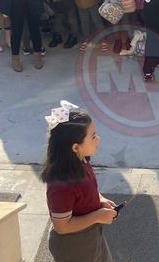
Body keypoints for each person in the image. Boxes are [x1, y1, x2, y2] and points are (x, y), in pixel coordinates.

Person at [41, 101, 118, 262]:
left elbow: (89, 190)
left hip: (92, 236)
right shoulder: (61, 185)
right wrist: (97, 216)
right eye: (93, 136)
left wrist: (101, 200)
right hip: (73, 246)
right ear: (75, 147)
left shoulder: (81, 160)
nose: (98, 139)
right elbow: (62, 227)